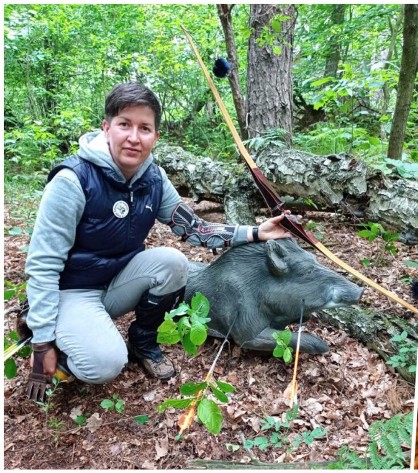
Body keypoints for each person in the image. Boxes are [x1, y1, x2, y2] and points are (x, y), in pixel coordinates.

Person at [22, 82, 293, 402]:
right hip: (73, 290)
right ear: (106, 128)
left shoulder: (153, 179)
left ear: (156, 137)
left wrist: (255, 232)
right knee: (105, 363)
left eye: (145, 128)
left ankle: (143, 342)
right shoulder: (73, 180)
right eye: (125, 124)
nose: (134, 137)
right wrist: (41, 343)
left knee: (173, 262)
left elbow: (195, 229)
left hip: (115, 282)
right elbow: (43, 265)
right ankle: (51, 336)